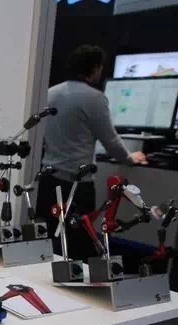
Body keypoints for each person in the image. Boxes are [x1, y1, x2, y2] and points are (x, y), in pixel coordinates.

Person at [36, 45, 147, 260]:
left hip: (48, 181)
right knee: (77, 245)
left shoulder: (50, 92)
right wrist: (129, 158)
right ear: (95, 68)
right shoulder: (94, 98)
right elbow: (110, 140)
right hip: (76, 184)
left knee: (49, 241)